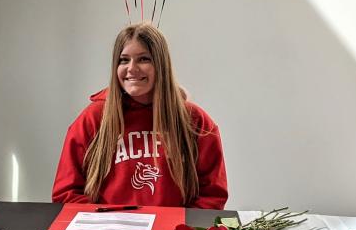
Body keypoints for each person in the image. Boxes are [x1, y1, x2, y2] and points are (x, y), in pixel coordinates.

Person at [52, 22, 227, 208]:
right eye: (124, 60)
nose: (132, 68)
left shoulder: (194, 121)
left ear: (161, 65)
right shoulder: (94, 118)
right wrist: (104, 224)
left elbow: (212, 195)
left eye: (144, 59)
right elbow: (66, 192)